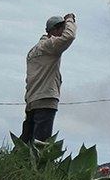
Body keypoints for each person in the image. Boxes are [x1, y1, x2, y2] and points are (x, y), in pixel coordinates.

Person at [20, 13, 76, 143]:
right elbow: (69, 36)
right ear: (54, 30)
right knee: (41, 143)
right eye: (62, 29)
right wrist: (70, 20)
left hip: (32, 99)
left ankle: (14, 162)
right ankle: (37, 163)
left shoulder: (33, 50)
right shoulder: (49, 46)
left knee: (26, 141)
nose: (63, 32)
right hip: (46, 98)